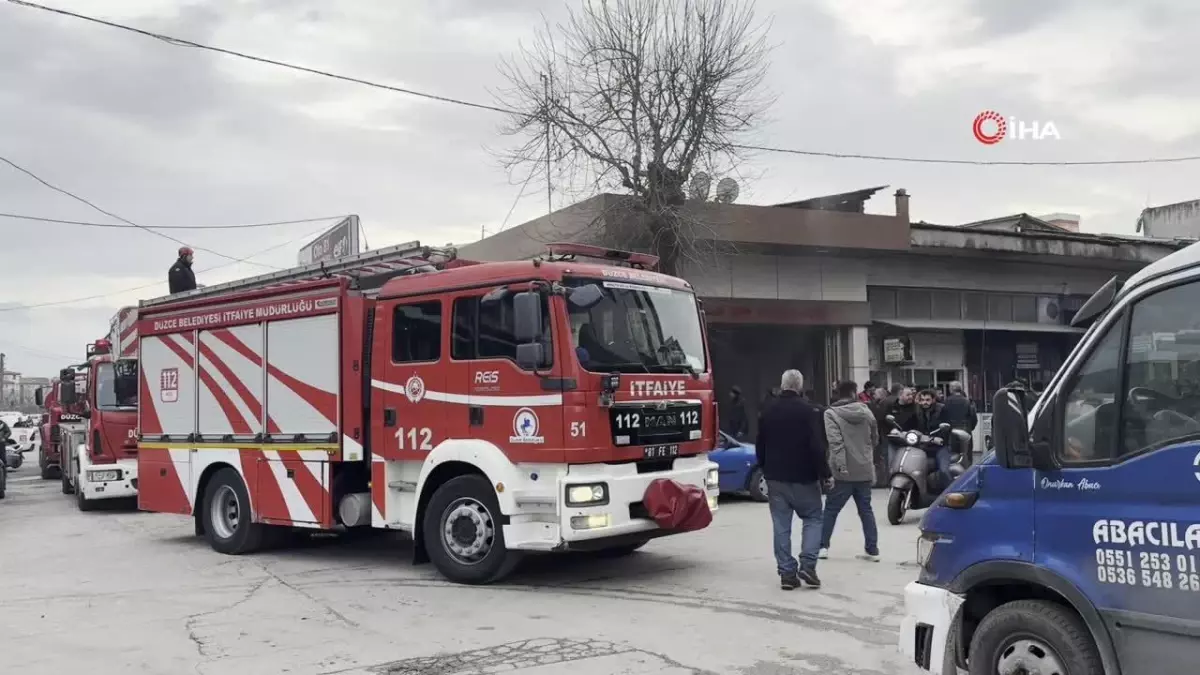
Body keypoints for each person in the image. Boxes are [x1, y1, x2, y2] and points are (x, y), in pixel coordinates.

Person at [756, 369, 832, 591]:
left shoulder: (768, 410)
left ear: (782, 385)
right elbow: (817, 446)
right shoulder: (809, 411)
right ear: (800, 386)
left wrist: (765, 468)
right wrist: (825, 474)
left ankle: (787, 573)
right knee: (813, 518)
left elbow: (760, 444)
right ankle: (808, 565)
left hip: (775, 477)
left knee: (781, 525)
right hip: (804, 477)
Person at [819, 381, 881, 562]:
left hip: (842, 472)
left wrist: (841, 467)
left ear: (838, 394)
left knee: (831, 509)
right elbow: (875, 439)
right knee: (866, 510)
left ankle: (823, 546)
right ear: (854, 393)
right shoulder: (866, 411)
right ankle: (872, 550)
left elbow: (835, 442)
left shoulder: (830, 414)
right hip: (864, 468)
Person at [913, 388, 952, 479]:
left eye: (927, 400)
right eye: (922, 400)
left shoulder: (942, 409)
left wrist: (941, 437)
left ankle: (949, 492)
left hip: (940, 447)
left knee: (944, 471)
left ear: (933, 400)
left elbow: (948, 426)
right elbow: (911, 426)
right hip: (923, 446)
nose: (924, 402)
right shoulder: (917, 411)